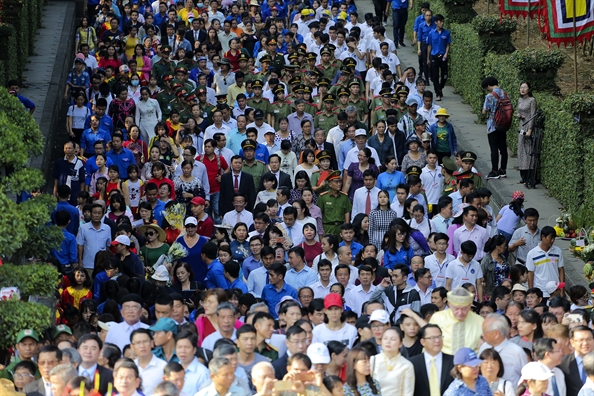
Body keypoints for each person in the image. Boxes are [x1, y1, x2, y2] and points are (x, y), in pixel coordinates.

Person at [478, 313, 528, 387]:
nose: (482, 335)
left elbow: (526, 378)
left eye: (485, 332)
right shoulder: (484, 347)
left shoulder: (517, 352)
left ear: (496, 334)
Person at [409, 324, 455, 396]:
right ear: (422, 342)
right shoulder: (412, 363)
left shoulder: (453, 361)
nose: (437, 340)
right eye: (432, 337)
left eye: (439, 337)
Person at [370, 327, 414, 395]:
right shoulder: (373, 360)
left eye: (393, 339)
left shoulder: (406, 365)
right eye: (385, 338)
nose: (388, 342)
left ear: (400, 344)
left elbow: (408, 393)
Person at [481, 76, 510, 180]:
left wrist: (485, 110)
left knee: (494, 149)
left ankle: (494, 171)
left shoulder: (490, 95)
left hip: (493, 125)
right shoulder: (505, 93)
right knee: (503, 148)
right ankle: (503, 170)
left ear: (489, 85)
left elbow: (485, 111)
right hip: (503, 124)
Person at [526, 226, 564, 300]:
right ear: (543, 237)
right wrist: (531, 292)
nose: (552, 240)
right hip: (540, 291)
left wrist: (562, 290)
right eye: (550, 238)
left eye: (554, 238)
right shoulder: (532, 254)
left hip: (555, 291)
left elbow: (561, 270)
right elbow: (530, 273)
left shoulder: (558, 251)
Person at [130, 329, 167, 395]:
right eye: (138, 343)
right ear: (132, 347)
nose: (142, 346)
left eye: (145, 341)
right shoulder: (130, 366)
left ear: (152, 343)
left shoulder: (163, 367)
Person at [561, 325, 594, 396]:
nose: (585, 343)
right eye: (581, 340)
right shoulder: (562, 363)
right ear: (572, 342)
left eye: (589, 339)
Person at [426, 14, 450, 101]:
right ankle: (438, 94)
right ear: (436, 22)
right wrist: (428, 58)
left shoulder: (447, 33)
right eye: (440, 21)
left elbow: (448, 44)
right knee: (434, 77)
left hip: (443, 57)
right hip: (434, 56)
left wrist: (446, 53)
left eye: (443, 21)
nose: (442, 23)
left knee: (445, 76)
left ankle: (440, 87)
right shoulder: (431, 33)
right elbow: (429, 46)